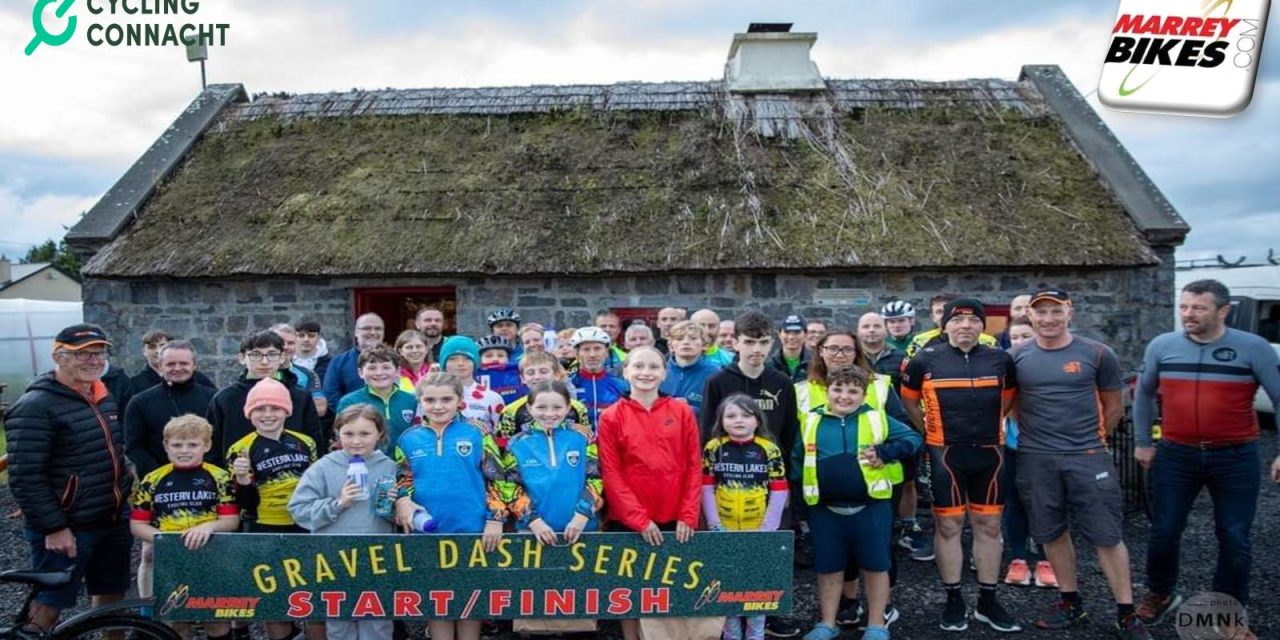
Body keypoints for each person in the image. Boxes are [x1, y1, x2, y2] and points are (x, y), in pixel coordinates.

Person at [1133, 279, 1280, 636]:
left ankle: (1227, 611)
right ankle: (1161, 592)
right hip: (1175, 454)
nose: (1188, 314)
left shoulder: (1254, 348)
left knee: (1234, 536)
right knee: (1165, 531)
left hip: (1235, 456)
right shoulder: (1162, 346)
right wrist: (1142, 441)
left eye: (1198, 308)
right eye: (1184, 307)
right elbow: (1142, 395)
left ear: (1223, 311)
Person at [1012, 288, 1146, 638]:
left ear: (1069, 312)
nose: (1048, 319)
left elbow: (1114, 407)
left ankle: (1126, 612)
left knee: (1107, 535)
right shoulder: (1016, 356)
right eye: (1040, 313)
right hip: (1036, 458)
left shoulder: (1098, 354)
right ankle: (1070, 601)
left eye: (1056, 312)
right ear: (1030, 316)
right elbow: (1010, 404)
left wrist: (1090, 441)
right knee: (1051, 532)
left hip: (1087, 456)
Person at [900, 299, 1020, 633]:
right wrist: (928, 429)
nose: (965, 325)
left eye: (972, 320)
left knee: (989, 527)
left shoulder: (1000, 359)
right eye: (958, 320)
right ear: (945, 326)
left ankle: (987, 598)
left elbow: (1009, 399)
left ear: (983, 326)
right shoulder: (925, 359)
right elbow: (908, 398)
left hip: (989, 454)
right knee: (949, 527)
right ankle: (953, 598)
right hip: (945, 455)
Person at [4, 323, 132, 629]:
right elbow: (25, 476)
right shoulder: (36, 406)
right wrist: (54, 527)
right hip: (69, 528)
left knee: (111, 596)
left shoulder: (102, 396)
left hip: (111, 519)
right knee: (51, 602)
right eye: (82, 354)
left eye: (99, 353)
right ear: (59, 357)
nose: (93, 361)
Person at [794, 366, 922, 640]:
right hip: (824, 510)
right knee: (828, 566)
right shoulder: (809, 421)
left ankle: (876, 624)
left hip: (871, 507)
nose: (844, 396)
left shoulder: (877, 419)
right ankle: (827, 623)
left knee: (876, 565)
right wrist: (797, 507)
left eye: (853, 391)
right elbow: (796, 462)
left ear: (864, 396)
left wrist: (886, 452)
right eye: (837, 389)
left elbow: (913, 438)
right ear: (826, 392)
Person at [597, 347, 702, 640]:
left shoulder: (681, 411)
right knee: (629, 590)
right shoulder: (611, 416)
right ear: (626, 370)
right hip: (628, 520)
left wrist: (688, 514)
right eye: (639, 366)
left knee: (667, 589)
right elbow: (611, 473)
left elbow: (694, 465)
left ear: (664, 373)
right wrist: (639, 520)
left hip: (675, 518)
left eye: (653, 367)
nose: (646, 372)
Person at [393, 373, 506, 640]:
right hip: (428, 532)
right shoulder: (408, 439)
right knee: (438, 601)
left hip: (474, 530)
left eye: (446, 399)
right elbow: (402, 479)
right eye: (430, 400)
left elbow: (499, 479)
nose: (438, 406)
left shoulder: (477, 432)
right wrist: (402, 500)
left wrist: (495, 517)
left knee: (469, 600)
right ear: (420, 401)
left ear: (459, 401)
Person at [289, 405, 398, 640]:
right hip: (333, 558)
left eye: (365, 434)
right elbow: (298, 510)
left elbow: (398, 517)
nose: (356, 441)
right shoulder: (323, 467)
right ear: (337, 433)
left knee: (377, 620)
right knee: (339, 621)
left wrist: (392, 509)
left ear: (379, 433)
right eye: (348, 434)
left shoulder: (389, 466)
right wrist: (338, 503)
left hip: (376, 556)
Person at [130, 415, 239, 640]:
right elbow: (137, 524)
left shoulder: (220, 477)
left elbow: (231, 521)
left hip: (211, 555)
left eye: (193, 444)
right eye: (177, 445)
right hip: (170, 556)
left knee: (216, 622)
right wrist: (163, 538)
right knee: (175, 622)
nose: (184, 451)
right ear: (166, 447)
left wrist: (209, 527)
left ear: (206, 445)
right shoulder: (152, 479)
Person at [226, 377, 318, 640]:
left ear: (286, 411)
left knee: (307, 589)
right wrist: (243, 481)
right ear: (249, 414)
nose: (268, 415)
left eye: (275, 408)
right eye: (260, 409)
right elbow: (245, 504)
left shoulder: (305, 442)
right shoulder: (240, 448)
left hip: (303, 524)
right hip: (264, 525)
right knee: (272, 594)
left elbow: (315, 484)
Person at [703, 394, 789, 640]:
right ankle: (731, 635)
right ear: (721, 420)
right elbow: (706, 488)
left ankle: (756, 635)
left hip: (758, 529)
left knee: (757, 588)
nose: (738, 420)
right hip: (724, 529)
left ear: (757, 420)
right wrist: (714, 524)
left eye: (745, 415)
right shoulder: (714, 448)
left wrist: (768, 527)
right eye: (731, 415)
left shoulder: (768, 449)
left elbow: (780, 489)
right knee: (728, 586)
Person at [501, 380, 603, 543]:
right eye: (541, 407)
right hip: (533, 531)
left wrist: (582, 515)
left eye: (557, 407)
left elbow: (595, 479)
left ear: (568, 408)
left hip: (583, 528)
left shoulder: (583, 437)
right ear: (529, 408)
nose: (549, 414)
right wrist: (533, 521)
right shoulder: (517, 443)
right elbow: (511, 487)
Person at [998, 318, 1056, 589]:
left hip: (1045, 448)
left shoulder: (1047, 368)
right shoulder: (1005, 368)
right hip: (1012, 447)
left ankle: (1046, 559)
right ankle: (1018, 558)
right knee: (1014, 503)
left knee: (1048, 504)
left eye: (1025, 335)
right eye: (1014, 337)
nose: (1019, 341)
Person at [207, 331, 323, 464]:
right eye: (255, 355)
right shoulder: (225, 399)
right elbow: (212, 448)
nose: (264, 362)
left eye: (272, 354)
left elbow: (315, 442)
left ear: (282, 357)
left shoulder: (300, 396)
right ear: (242, 358)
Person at [125, 340, 218, 478]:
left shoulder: (214, 398)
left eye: (183, 363)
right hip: (159, 479)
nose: (177, 368)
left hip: (207, 478)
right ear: (160, 366)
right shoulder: (140, 402)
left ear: (194, 365)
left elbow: (219, 440)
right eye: (171, 364)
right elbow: (134, 446)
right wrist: (160, 475)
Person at [496, 351, 591, 446]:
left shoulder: (578, 408)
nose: (537, 377)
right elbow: (504, 449)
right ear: (522, 378)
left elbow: (588, 443)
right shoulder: (510, 411)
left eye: (543, 371)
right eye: (530, 373)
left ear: (557, 375)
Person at [336, 344, 418, 456]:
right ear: (360, 372)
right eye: (372, 368)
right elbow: (343, 437)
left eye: (386, 367)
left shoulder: (412, 400)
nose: (379, 373)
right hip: (366, 465)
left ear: (398, 371)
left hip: (406, 467)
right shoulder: (349, 402)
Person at [437, 335, 505, 433]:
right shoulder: (430, 396)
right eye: (453, 358)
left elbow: (500, 437)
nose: (460, 363)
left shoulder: (492, 398)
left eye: (467, 358)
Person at [567, 327, 629, 430]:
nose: (592, 355)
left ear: (606, 352)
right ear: (577, 354)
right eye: (586, 349)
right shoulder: (568, 384)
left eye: (597, 348)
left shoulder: (621, 385)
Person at [904, 294, 999, 360]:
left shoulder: (988, 341)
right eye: (939, 312)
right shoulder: (920, 341)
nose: (943, 316)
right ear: (932, 317)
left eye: (947, 311)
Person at [323, 312, 386, 408]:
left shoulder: (394, 360)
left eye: (378, 329)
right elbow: (331, 396)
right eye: (366, 328)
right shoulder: (339, 362)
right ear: (356, 332)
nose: (373, 332)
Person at [659, 320, 720, 417]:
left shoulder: (715, 373)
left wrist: (690, 409)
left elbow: (721, 411)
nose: (686, 342)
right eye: (679, 339)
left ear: (704, 345)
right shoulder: (658, 371)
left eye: (693, 338)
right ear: (671, 346)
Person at [130, 329, 215, 391]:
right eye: (152, 347)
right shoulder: (134, 384)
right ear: (144, 352)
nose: (157, 351)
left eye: (162, 346)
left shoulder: (198, 379)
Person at [273, 323, 327, 419]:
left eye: (291, 343)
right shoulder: (258, 373)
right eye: (280, 343)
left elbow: (320, 409)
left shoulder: (308, 374)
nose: (286, 347)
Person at [858, 312, 904, 390]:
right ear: (858, 331)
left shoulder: (901, 357)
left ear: (886, 330)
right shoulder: (852, 356)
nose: (871, 330)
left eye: (877, 326)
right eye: (866, 326)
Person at [477, 335, 525, 404]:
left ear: (508, 358)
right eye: (488, 356)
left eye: (500, 355)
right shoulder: (474, 375)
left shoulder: (519, 372)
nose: (495, 359)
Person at [767, 314, 812, 383]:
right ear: (779, 334)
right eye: (787, 332)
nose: (791, 337)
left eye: (797, 332)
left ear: (806, 334)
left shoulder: (815, 363)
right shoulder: (769, 365)